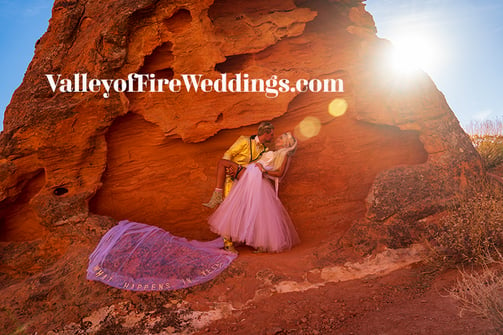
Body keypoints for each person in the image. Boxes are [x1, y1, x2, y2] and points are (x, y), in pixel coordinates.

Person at [208, 132, 300, 253]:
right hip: (252, 172)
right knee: (255, 211)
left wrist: (263, 172)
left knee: (223, 163)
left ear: (287, 143)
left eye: (281, 138)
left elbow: (280, 173)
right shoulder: (275, 153)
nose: (278, 138)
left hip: (254, 174)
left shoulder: (285, 155)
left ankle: (218, 194)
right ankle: (260, 244)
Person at [203, 121, 275, 208]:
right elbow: (229, 153)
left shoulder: (264, 150)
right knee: (228, 206)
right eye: (271, 134)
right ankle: (217, 196)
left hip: (246, 180)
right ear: (265, 133)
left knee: (242, 208)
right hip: (232, 178)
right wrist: (228, 169)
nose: (273, 137)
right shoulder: (245, 140)